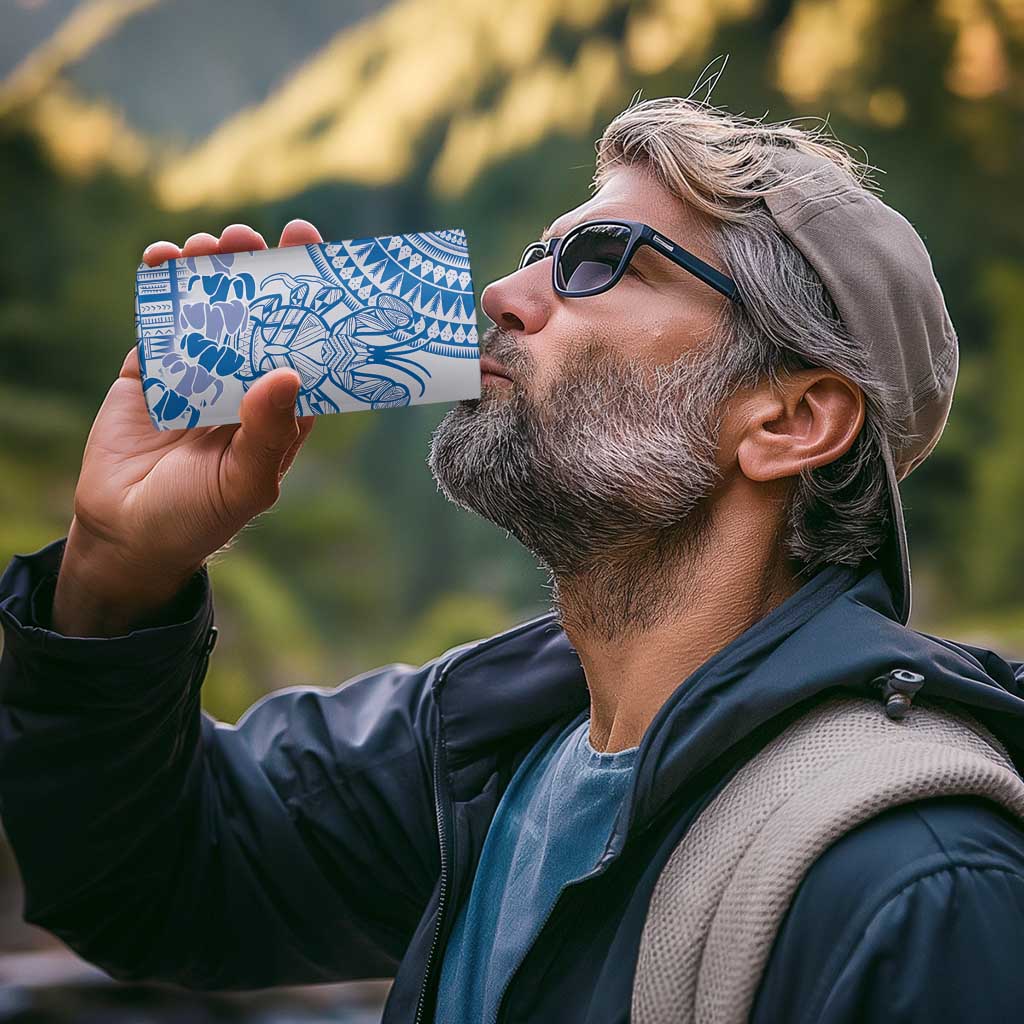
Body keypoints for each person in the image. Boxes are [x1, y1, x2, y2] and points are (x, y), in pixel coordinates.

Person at [2, 94, 1024, 1024]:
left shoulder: (918, 884)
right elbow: (148, 880)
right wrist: (115, 572)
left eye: (599, 261)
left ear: (790, 419)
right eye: (539, 252)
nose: (502, 291)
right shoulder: (480, 748)